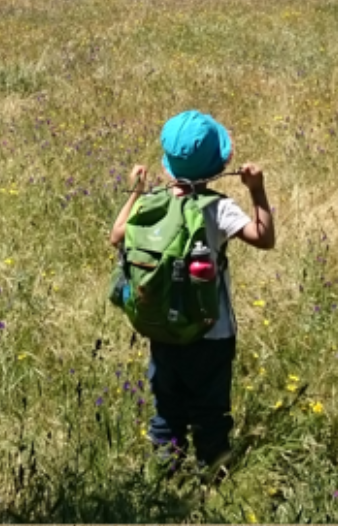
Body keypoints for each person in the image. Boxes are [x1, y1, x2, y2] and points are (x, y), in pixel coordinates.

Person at [107, 110, 275, 469]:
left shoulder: (150, 203)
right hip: (212, 332)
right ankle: (211, 472)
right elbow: (264, 238)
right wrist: (257, 191)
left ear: (167, 166)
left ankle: (167, 474)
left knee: (167, 407)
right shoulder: (218, 208)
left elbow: (116, 236)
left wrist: (137, 190)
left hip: (162, 328)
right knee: (210, 410)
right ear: (219, 166)